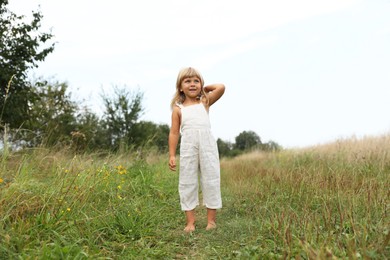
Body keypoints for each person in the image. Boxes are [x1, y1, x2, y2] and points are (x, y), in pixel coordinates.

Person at [168, 67, 225, 232]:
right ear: (180, 86)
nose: (192, 84)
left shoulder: (204, 102)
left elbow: (221, 87)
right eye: (187, 81)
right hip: (188, 146)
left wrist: (204, 89)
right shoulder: (178, 109)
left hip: (207, 145)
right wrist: (172, 154)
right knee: (187, 181)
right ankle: (190, 222)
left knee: (211, 179)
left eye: (196, 81)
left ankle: (211, 221)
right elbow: (173, 133)